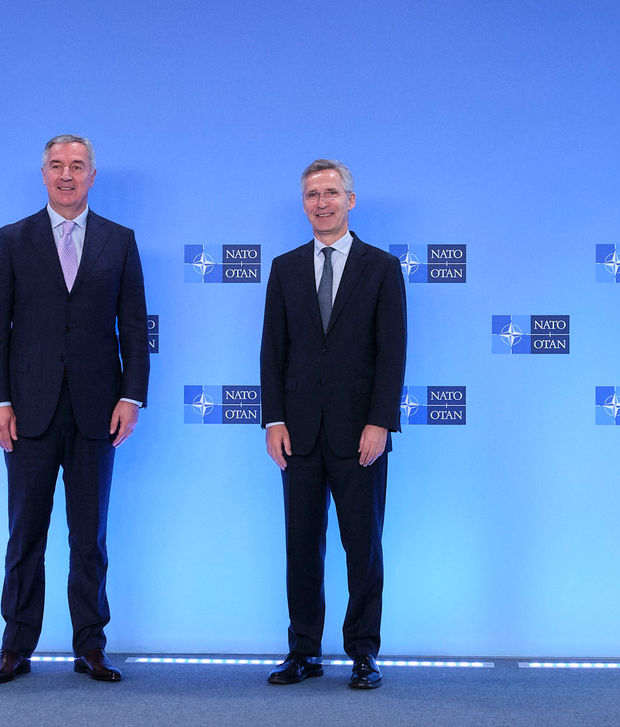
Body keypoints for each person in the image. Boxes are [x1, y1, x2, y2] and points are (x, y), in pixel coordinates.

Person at [0, 134, 148, 685]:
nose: (67, 175)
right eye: (57, 166)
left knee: (89, 535)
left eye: (77, 166)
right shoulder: (14, 238)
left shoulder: (119, 241)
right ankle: (15, 647)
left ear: (93, 176)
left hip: (97, 412)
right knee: (24, 534)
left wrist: (131, 395)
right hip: (27, 413)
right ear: (44, 174)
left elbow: (134, 327)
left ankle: (91, 648)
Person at [259, 159, 407, 689]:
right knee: (301, 546)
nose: (321, 203)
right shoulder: (284, 268)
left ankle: (364, 653)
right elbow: (272, 352)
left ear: (350, 199)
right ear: (303, 204)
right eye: (312, 195)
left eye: (330, 193)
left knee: (362, 547)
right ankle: (303, 652)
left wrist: (380, 423)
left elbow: (392, 355)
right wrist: (272, 420)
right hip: (297, 434)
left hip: (360, 435)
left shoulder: (382, 268)